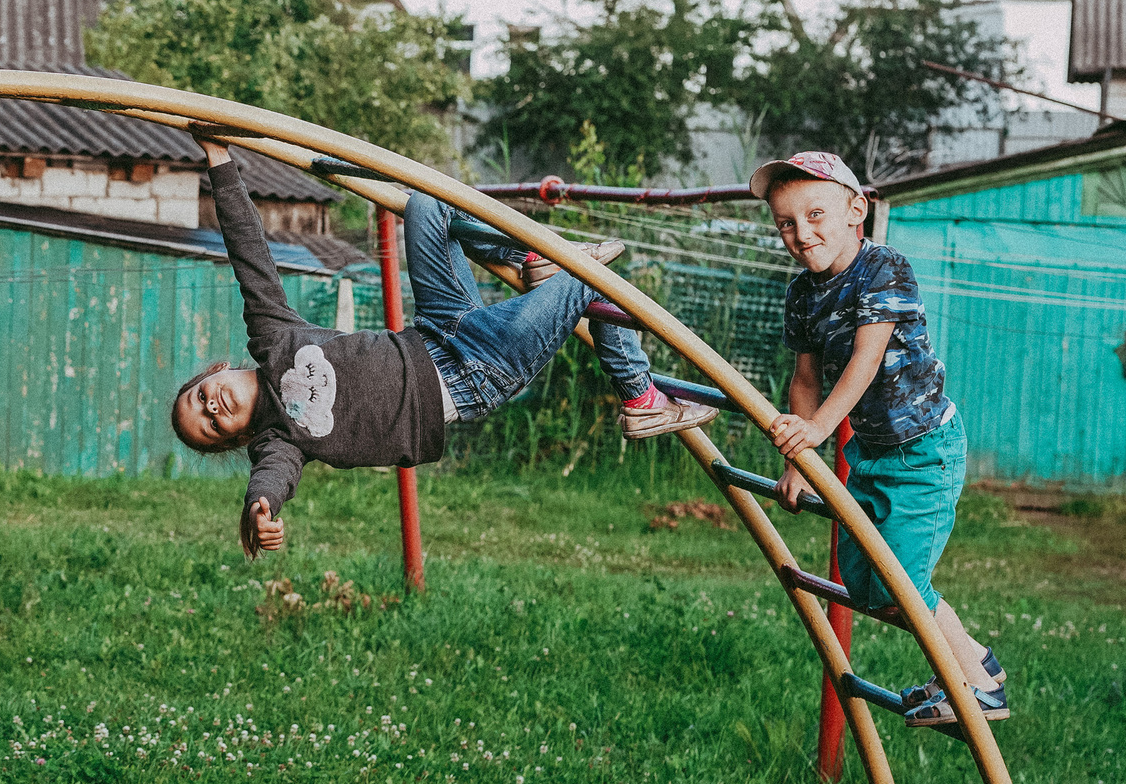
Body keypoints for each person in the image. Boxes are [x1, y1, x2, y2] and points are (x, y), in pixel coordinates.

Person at [171, 137, 715, 555]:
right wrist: (259, 506)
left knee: (430, 205)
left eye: (201, 399)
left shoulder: (273, 336)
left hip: (441, 328)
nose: (213, 410)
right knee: (588, 274)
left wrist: (219, 159)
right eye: (212, 427)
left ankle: (530, 261)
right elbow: (272, 482)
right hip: (479, 371)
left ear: (212, 373)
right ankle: (640, 396)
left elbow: (249, 254)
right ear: (234, 439)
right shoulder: (281, 442)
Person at [757, 151, 1003, 727]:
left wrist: (817, 428)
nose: (801, 233)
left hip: (923, 452)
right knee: (869, 591)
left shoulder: (883, 268)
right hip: (867, 453)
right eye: (786, 223)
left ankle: (976, 686)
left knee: (903, 583)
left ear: (855, 210)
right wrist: (801, 459)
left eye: (815, 214)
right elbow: (806, 378)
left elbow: (866, 360)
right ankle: (976, 663)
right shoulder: (802, 294)